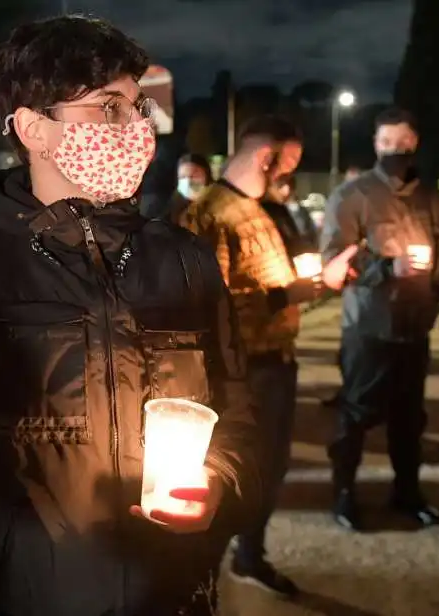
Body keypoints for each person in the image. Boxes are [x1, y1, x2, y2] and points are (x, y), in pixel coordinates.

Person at [0, 16, 262, 616]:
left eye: (137, 107)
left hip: (169, 593)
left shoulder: (185, 263)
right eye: (108, 109)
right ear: (34, 128)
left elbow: (234, 413)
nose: (136, 127)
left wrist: (219, 487)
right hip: (20, 598)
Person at [181, 114, 321, 599]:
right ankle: (202, 578)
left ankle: (250, 555)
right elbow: (209, 304)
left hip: (276, 360)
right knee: (235, 473)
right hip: (245, 372)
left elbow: (261, 283)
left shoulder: (258, 209)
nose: (289, 175)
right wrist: (289, 295)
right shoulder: (210, 214)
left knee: (268, 470)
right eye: (289, 164)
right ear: (268, 157)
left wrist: (309, 287)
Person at [320, 107, 439, 531]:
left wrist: (437, 291)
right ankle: (343, 493)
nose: (395, 150)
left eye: (403, 142)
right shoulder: (352, 195)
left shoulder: (433, 197)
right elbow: (334, 257)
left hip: (415, 326)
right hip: (369, 326)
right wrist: (384, 268)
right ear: (375, 145)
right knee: (356, 413)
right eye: (386, 142)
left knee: (409, 416)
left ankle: (407, 491)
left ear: (415, 144)